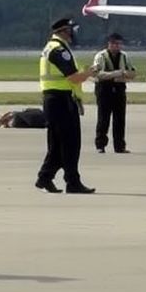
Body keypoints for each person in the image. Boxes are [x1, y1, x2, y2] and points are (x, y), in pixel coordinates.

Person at [35, 18, 97, 194]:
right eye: (71, 30)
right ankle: (72, 182)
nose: (73, 34)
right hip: (60, 101)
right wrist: (89, 73)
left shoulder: (51, 47)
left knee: (57, 144)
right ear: (64, 31)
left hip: (54, 100)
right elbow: (73, 78)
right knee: (70, 143)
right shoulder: (60, 50)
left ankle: (45, 177)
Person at [91, 32, 135, 153]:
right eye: (114, 43)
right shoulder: (100, 56)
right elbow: (97, 73)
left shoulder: (124, 56)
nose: (117, 46)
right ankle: (100, 145)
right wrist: (115, 74)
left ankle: (119, 146)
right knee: (103, 118)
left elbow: (132, 72)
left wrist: (125, 75)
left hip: (119, 89)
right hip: (104, 89)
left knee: (120, 119)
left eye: (119, 44)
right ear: (109, 44)